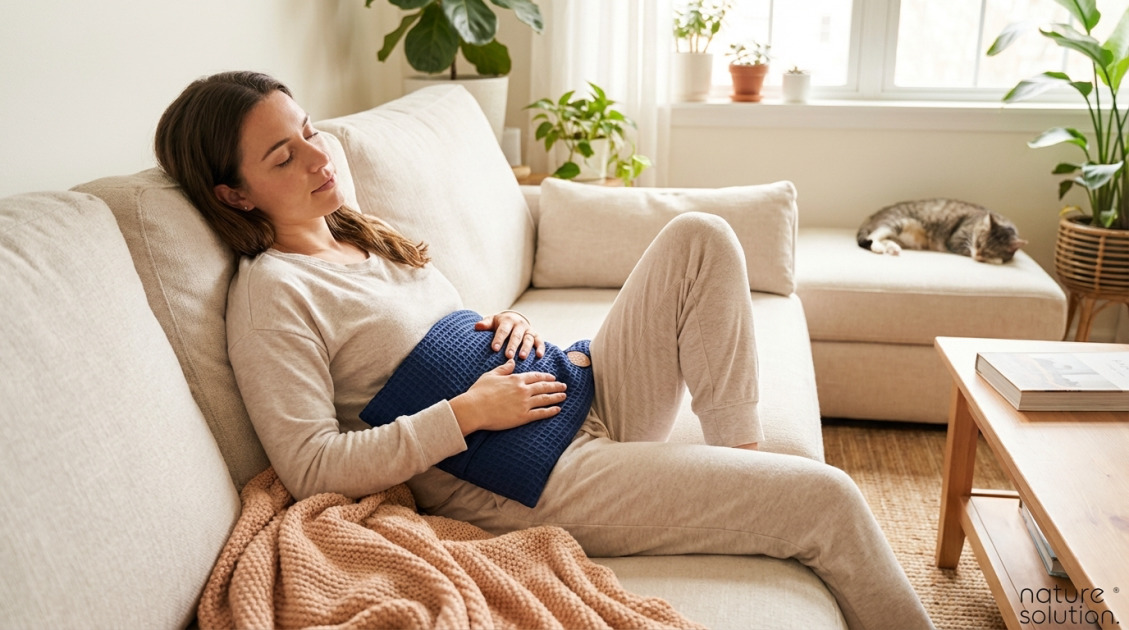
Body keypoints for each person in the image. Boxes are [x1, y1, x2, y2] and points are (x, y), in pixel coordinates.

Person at [155, 71, 934, 630]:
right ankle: (760, 494)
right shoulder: (271, 295)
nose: (319, 160)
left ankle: (739, 455)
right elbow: (310, 464)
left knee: (699, 236)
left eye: (309, 134)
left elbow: (435, 331)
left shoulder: (362, 237)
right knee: (826, 499)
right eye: (281, 158)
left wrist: (503, 324)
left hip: (567, 387)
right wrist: (466, 412)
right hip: (520, 477)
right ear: (235, 194)